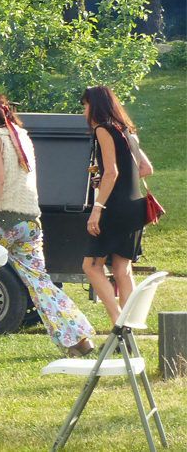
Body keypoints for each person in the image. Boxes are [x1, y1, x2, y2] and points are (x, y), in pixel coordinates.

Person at [0, 91, 95, 357]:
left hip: (0, 221)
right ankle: (78, 337)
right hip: (29, 222)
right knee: (40, 283)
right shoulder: (22, 137)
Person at [80, 85, 153, 325]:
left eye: (85, 105)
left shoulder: (103, 129)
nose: (84, 111)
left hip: (115, 208)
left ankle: (117, 321)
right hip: (135, 207)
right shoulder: (126, 130)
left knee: (91, 266)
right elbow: (145, 169)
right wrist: (114, 180)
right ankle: (130, 326)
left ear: (95, 106)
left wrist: (97, 208)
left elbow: (111, 172)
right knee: (122, 269)